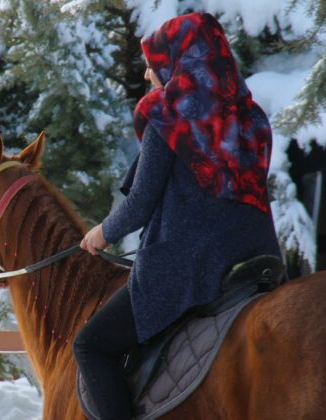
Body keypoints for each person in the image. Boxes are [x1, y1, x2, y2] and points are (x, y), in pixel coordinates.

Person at [73, 12, 281, 419]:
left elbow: (140, 205)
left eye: (154, 64)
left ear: (178, 61)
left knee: (90, 346)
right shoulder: (251, 118)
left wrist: (101, 232)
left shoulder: (169, 115)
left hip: (191, 265)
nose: (150, 76)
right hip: (259, 258)